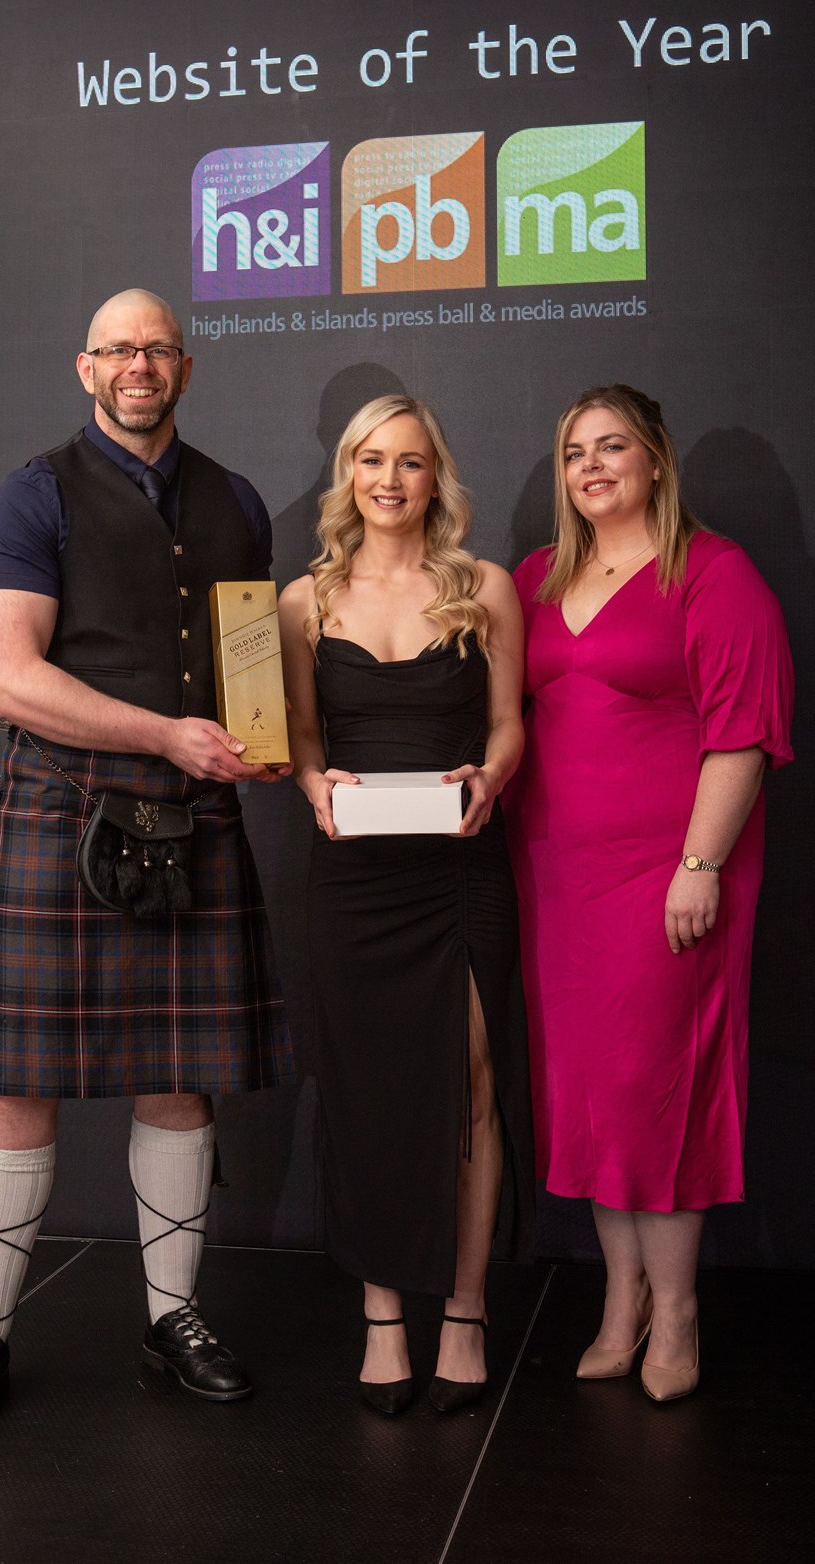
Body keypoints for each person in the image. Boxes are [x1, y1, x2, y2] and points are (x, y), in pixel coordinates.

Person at [0, 289, 293, 1436]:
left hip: (194, 825)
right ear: (86, 368)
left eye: (159, 348)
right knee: (16, 1087)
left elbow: (247, 666)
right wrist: (164, 734)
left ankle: (171, 1319)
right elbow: (5, 679)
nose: (141, 364)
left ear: (185, 364)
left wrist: (266, 740)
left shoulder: (236, 501)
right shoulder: (37, 491)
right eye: (120, 349)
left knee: (178, 1078)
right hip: (64, 814)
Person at [504, 384, 794, 1402]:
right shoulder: (537, 575)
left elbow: (743, 732)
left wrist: (700, 866)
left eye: (612, 446)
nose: (591, 466)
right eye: (574, 450)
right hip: (555, 880)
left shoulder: (715, 575)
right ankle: (617, 1300)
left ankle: (676, 1312)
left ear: (657, 461)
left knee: (654, 1096)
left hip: (669, 878)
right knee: (590, 1101)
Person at [278, 395, 534, 1416]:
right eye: (372, 461)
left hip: (461, 869)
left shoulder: (487, 588)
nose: (390, 480)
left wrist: (491, 781)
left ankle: (465, 1310)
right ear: (349, 474)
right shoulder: (302, 601)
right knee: (366, 1092)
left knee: (468, 1086)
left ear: (438, 477)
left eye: (411, 463)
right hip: (354, 878)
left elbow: (511, 726)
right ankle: (385, 1316)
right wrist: (312, 790)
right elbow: (299, 735)